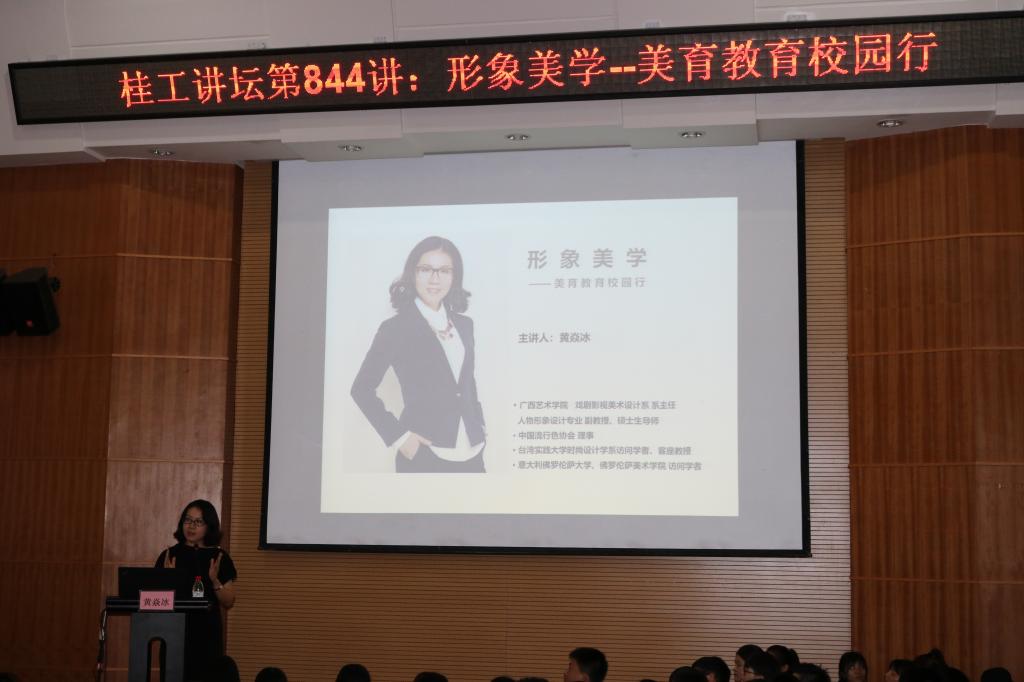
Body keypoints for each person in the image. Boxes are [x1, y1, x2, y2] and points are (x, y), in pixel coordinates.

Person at [351, 235, 486, 473]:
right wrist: (400, 438)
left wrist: (479, 424)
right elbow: (361, 389)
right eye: (426, 269)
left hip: (473, 453)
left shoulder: (465, 325)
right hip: (425, 454)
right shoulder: (395, 328)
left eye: (444, 270)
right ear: (412, 274)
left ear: (454, 276)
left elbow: (466, 381)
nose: (435, 279)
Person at [155, 499, 237, 681]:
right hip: (174, 632)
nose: (191, 526)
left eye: (198, 522)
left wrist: (215, 581)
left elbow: (229, 601)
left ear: (209, 526)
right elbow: (156, 600)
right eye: (188, 520)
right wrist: (169, 579)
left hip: (206, 634)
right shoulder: (170, 556)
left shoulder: (219, 557)